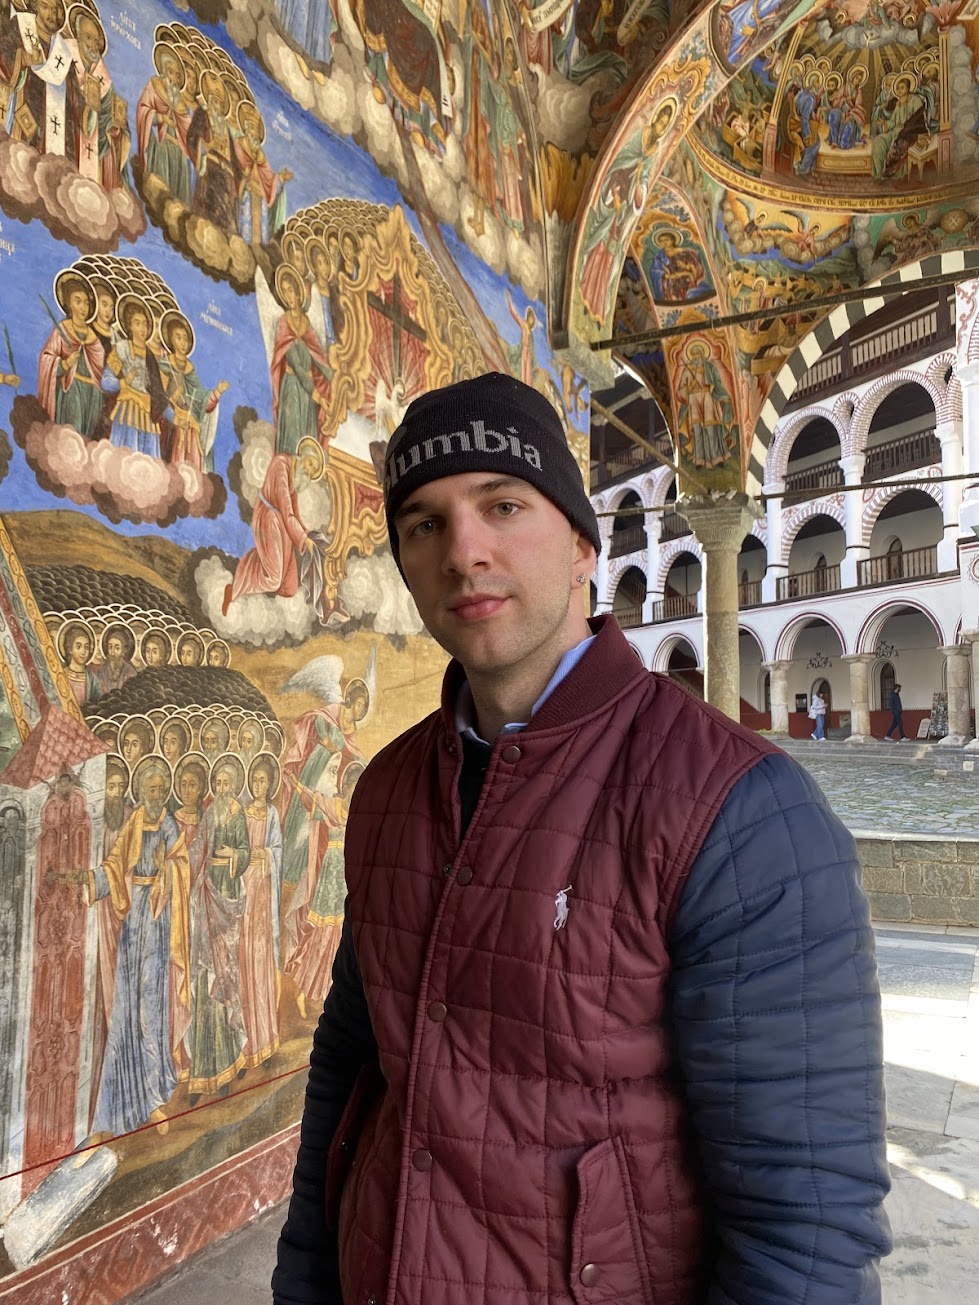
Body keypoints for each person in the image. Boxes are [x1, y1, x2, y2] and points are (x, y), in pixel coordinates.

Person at [272, 373, 891, 1305]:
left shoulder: (738, 812)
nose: (463, 551)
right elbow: (353, 1064)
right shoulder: (390, 790)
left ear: (579, 545)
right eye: (425, 524)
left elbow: (802, 1220)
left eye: (502, 505)